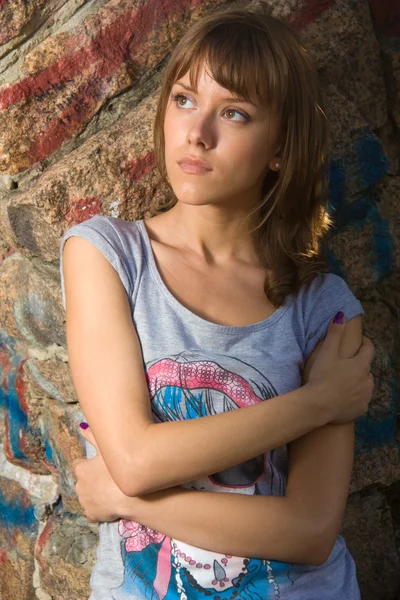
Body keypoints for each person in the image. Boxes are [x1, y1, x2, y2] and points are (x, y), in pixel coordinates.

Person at [60, 5, 375, 599]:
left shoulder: (323, 309)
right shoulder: (106, 256)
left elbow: (309, 531)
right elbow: (134, 458)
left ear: (280, 148)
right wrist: (317, 403)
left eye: (234, 113)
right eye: (184, 99)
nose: (196, 133)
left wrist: (128, 501)